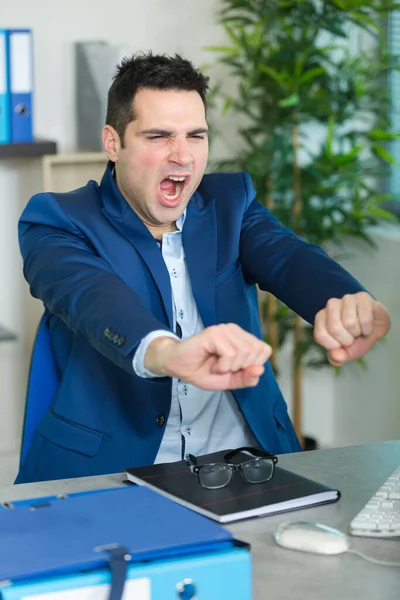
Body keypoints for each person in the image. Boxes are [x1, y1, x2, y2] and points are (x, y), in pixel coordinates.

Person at [16, 52, 391, 484]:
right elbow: (93, 297)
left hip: (249, 464)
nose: (183, 157)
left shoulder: (231, 201)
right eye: (159, 136)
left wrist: (344, 301)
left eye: (196, 135)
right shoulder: (58, 220)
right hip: (113, 472)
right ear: (113, 142)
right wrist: (166, 352)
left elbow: (287, 255)